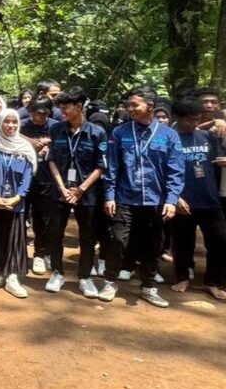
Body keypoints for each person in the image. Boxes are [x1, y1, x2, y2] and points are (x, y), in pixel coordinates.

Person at [102, 85, 185, 307]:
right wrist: (109, 195)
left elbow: (176, 170)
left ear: (150, 105)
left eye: (134, 105)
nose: (129, 108)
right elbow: (112, 167)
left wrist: (171, 200)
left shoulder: (169, 135)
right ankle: (110, 281)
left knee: (153, 245)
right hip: (124, 198)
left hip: (155, 201)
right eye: (128, 105)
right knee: (118, 240)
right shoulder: (120, 133)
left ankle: (148, 286)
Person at [45, 87, 108, 298]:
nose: (61, 112)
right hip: (60, 192)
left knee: (87, 237)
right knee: (55, 233)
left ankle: (85, 277)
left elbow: (101, 166)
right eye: (60, 108)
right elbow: (52, 159)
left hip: (87, 194)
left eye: (65, 107)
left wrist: (81, 189)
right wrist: (62, 188)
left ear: (79, 107)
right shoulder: (56, 130)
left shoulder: (97, 133)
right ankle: (57, 273)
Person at [171, 98, 226, 300]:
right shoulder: (170, 138)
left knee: (220, 239)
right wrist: (175, 197)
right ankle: (182, 277)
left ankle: (212, 282)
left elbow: (218, 159)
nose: (194, 123)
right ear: (178, 118)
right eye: (190, 120)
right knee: (183, 241)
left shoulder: (206, 136)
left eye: (197, 119)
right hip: (183, 200)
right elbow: (163, 171)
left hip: (210, 198)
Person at [0, 109, 36, 298]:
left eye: (14, 122)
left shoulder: (25, 148)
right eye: (6, 121)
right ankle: (0, 271)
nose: (11, 125)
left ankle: (12, 276)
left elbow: (28, 174)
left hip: (15, 202)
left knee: (14, 237)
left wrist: (18, 196)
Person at [19, 98, 57, 274]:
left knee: (43, 219)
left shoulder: (56, 127)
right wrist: (32, 142)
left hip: (45, 179)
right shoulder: (21, 125)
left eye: (40, 114)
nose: (36, 117)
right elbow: (10, 135)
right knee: (20, 217)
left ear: (48, 113)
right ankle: (18, 252)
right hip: (22, 178)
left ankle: (40, 254)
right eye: (33, 113)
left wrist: (49, 146)